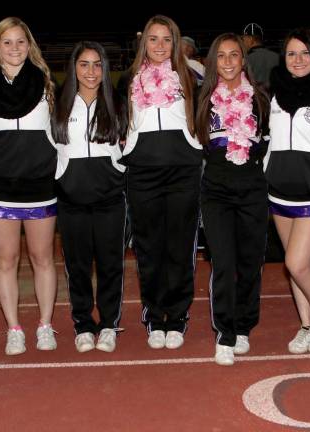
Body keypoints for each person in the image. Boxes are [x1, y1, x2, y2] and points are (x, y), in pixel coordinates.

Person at [0, 17, 58, 355]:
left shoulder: (47, 85)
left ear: (30, 45)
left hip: (39, 184)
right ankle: (13, 328)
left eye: (20, 42)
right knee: (5, 260)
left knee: (43, 257)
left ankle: (45, 325)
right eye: (6, 42)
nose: (14, 48)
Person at [121, 15, 201, 350]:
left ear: (176, 42)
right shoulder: (129, 79)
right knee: (149, 248)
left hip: (182, 170)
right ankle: (155, 317)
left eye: (166, 39)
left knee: (179, 248)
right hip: (142, 171)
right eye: (152, 39)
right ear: (143, 43)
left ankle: (178, 316)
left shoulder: (191, 75)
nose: (159, 45)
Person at [195, 33, 270, 366]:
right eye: (221, 56)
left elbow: (267, 145)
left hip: (252, 188)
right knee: (223, 263)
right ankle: (224, 333)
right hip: (216, 191)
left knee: (250, 263)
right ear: (213, 61)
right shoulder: (202, 99)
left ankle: (243, 327)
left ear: (243, 59)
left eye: (234, 55)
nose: (227, 62)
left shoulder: (261, 100)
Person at [264, 28, 310, 354]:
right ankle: (305, 325)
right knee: (294, 267)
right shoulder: (273, 93)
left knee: (296, 263)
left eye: (305, 53)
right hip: (279, 190)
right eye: (292, 53)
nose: (297, 60)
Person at [52, 41, 127, 353]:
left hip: (110, 199)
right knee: (78, 266)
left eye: (97, 64)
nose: (91, 71)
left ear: (105, 69)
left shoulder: (118, 104)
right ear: (73, 68)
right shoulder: (57, 106)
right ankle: (83, 324)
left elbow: (128, 148)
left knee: (111, 265)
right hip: (71, 200)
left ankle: (109, 324)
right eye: (84, 64)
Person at [241, 23, 278, 89]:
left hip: (255, 97)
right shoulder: (277, 57)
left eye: (244, 39)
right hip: (275, 97)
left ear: (250, 39)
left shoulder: (246, 60)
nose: (243, 42)